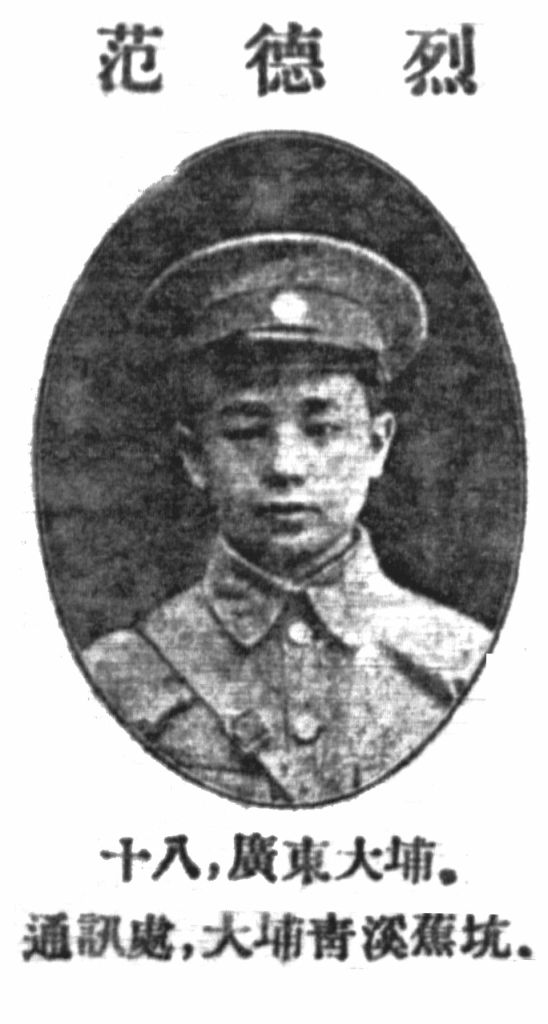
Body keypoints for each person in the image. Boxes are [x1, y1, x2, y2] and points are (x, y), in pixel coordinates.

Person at [83, 233, 492, 806]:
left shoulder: (466, 666)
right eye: (246, 432)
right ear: (194, 457)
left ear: (377, 445)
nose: (284, 466)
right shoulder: (116, 679)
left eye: (322, 429)